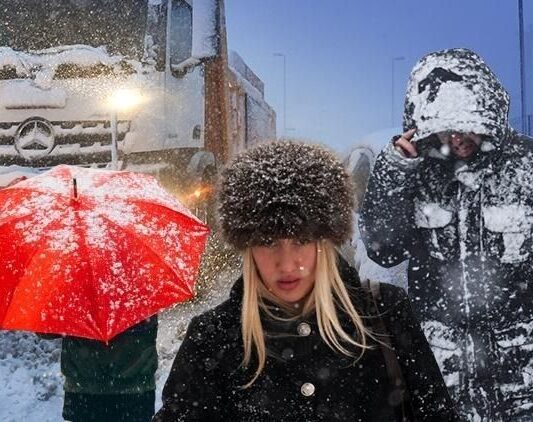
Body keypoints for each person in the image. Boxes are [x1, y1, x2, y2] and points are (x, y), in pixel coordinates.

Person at [154, 141, 457, 421]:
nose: (287, 263)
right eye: (269, 240)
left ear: (324, 241)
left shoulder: (384, 315)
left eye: (301, 239)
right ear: (248, 247)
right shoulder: (213, 337)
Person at [360, 48, 533, 421]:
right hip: (441, 369)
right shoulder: (415, 171)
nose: (457, 139)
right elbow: (383, 249)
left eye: (466, 126)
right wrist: (394, 172)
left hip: (521, 371)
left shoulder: (526, 165)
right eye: (446, 128)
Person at [43, 316, 158, 422]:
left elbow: (45, 329)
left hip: (85, 390)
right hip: (136, 390)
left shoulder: (76, 298)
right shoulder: (142, 297)